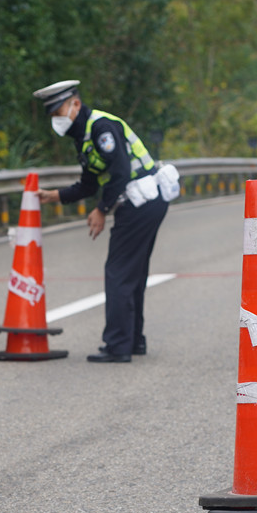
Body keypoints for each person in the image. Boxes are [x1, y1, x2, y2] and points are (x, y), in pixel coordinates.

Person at [32, 79, 168, 363]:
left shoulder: (101, 127)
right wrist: (53, 196)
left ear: (75, 104)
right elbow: (89, 184)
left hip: (139, 203)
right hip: (142, 203)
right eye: (52, 114)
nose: (56, 118)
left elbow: (119, 170)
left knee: (118, 273)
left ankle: (118, 346)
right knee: (132, 274)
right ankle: (132, 341)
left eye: (58, 111)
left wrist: (101, 210)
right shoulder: (83, 135)